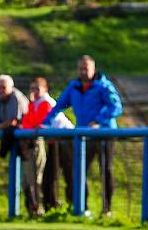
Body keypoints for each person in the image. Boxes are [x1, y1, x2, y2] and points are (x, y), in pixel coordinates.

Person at [43, 55, 123, 215]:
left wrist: (98, 121)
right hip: (84, 136)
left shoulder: (103, 86)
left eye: (86, 68)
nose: (83, 72)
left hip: (104, 134)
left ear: (93, 69)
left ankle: (106, 210)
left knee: (106, 170)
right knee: (79, 170)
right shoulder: (74, 87)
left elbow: (116, 107)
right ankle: (83, 207)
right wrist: (45, 123)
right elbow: (58, 106)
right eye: (80, 68)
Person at [19, 77, 73, 216]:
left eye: (37, 88)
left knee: (66, 175)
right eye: (32, 89)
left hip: (66, 140)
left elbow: (39, 122)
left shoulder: (45, 102)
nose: (34, 92)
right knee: (49, 177)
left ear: (45, 89)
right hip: (54, 142)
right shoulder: (35, 104)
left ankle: (70, 207)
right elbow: (28, 123)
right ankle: (51, 207)